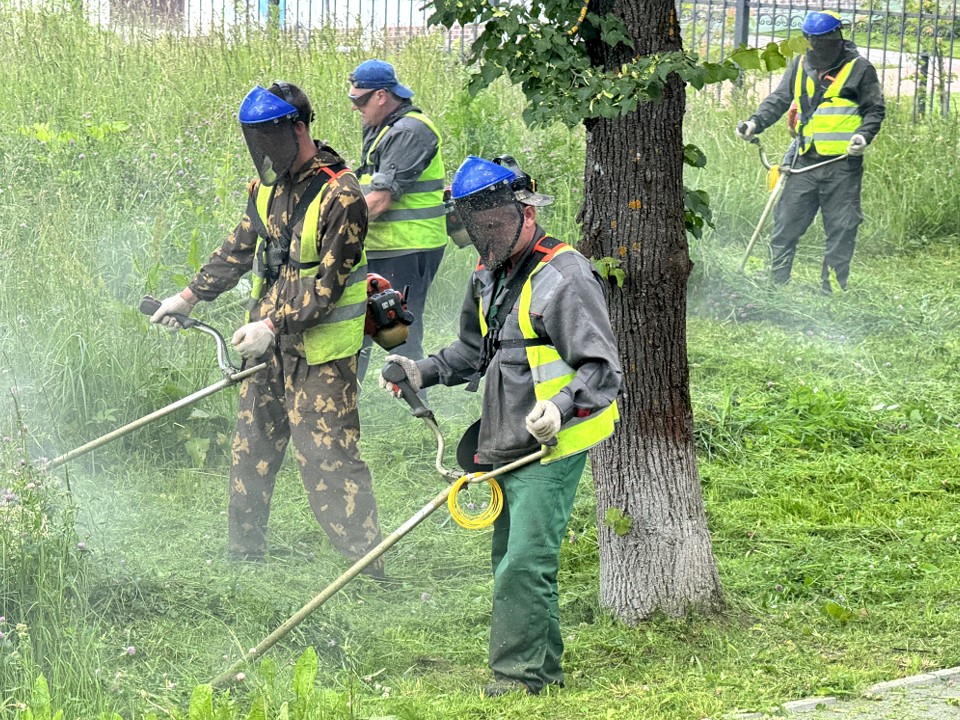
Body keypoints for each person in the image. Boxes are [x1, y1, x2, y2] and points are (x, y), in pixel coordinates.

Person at [378, 156, 622, 696]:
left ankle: (517, 680)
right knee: (511, 558)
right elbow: (474, 348)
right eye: (476, 225)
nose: (484, 236)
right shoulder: (489, 271)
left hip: (554, 441)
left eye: (493, 223)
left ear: (525, 211)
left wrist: (559, 408)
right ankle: (542, 671)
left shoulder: (565, 275)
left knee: (524, 565)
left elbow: (603, 369)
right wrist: (423, 370)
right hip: (505, 436)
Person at [149, 82, 385, 575]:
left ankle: (367, 569)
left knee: (328, 460)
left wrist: (272, 325)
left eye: (268, 138)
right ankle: (244, 558)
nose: (261, 150)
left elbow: (328, 286)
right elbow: (236, 250)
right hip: (267, 347)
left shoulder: (343, 196)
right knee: (250, 447)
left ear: (298, 128)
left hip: (319, 353)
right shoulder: (265, 189)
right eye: (253, 139)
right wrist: (187, 297)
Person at [737, 11, 885, 293]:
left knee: (841, 228)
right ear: (808, 39)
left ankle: (834, 289)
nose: (821, 44)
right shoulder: (800, 64)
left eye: (827, 37)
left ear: (837, 35)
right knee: (786, 223)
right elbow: (780, 98)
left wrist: (863, 137)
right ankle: (776, 284)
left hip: (843, 165)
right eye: (815, 39)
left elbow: (874, 109)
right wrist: (755, 122)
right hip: (804, 161)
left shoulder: (859, 68)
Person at [347, 59, 447, 380]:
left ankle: (419, 416)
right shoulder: (383, 127)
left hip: (408, 247)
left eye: (359, 100)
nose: (355, 108)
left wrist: (332, 228)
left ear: (380, 96)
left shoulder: (410, 130)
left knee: (399, 339)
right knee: (356, 330)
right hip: (383, 247)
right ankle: (343, 410)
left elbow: (380, 200)